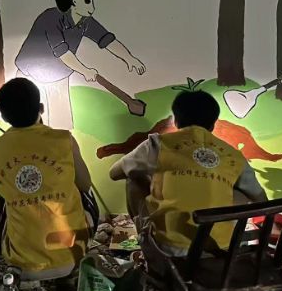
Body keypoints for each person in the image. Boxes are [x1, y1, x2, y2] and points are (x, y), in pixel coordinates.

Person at [109, 90, 267, 256]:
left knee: (133, 178)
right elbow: (261, 200)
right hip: (222, 249)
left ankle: (146, 235)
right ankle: (220, 235)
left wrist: (154, 179)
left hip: (169, 248)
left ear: (176, 121)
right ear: (213, 124)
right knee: (239, 190)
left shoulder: (158, 144)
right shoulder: (234, 155)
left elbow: (114, 173)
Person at [0, 78, 99, 280]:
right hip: (71, 257)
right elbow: (85, 184)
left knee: (4, 200)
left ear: (2, 116)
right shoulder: (64, 139)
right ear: (41, 108)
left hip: (23, 266)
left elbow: (3, 191)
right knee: (87, 195)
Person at [15, 0, 145, 129]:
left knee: (62, 121)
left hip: (59, 74)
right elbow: (63, 52)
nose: (92, 6)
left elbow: (107, 39)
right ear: (72, 0)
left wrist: (129, 58)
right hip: (29, 74)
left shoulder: (85, 22)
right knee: (24, 120)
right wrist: (85, 71)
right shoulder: (50, 18)